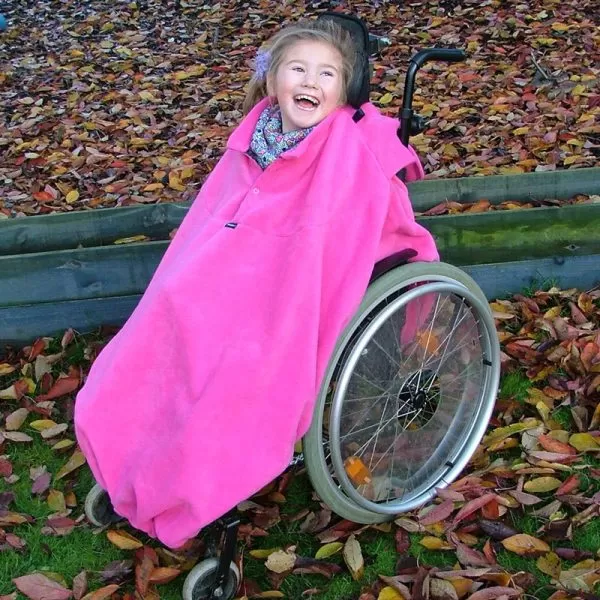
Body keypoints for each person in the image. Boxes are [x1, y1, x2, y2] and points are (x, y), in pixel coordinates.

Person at [74, 15, 438, 549]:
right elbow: (216, 218)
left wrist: (269, 289)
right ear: (272, 80)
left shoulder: (350, 150)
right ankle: (132, 463)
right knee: (165, 321)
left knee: (236, 366)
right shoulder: (258, 138)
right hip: (234, 275)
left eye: (327, 74)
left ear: (345, 91)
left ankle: (186, 479)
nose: (310, 82)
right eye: (297, 69)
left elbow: (331, 237)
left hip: (294, 286)